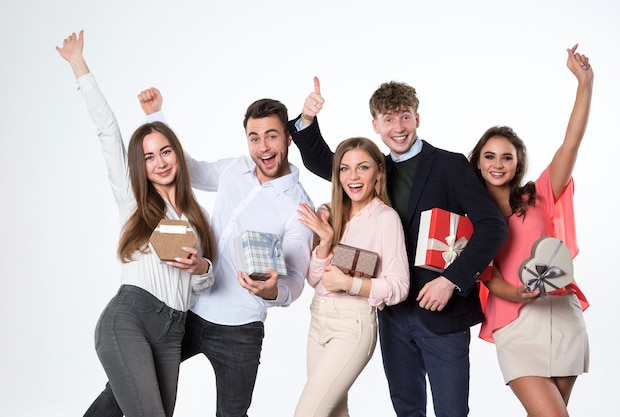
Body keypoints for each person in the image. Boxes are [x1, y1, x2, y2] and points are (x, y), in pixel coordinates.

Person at [81, 67, 315, 417]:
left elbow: (295, 279)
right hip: (189, 313)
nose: (262, 147)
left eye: (271, 136)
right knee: (124, 389)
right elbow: (184, 167)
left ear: (288, 139)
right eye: (254, 137)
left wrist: (272, 292)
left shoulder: (299, 207)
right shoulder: (235, 169)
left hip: (241, 329)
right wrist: (156, 117)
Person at [289, 77, 508, 416]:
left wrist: (451, 279)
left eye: (405, 116)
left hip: (442, 314)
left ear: (417, 119)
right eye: (388, 119)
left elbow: (492, 225)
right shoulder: (377, 169)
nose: (398, 126)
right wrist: (306, 120)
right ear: (376, 125)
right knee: (406, 409)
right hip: (393, 315)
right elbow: (328, 163)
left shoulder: (449, 165)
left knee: (451, 411)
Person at [56, 30, 217, 417]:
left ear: (177, 155)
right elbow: (109, 134)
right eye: (148, 157)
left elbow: (203, 282)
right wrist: (80, 66)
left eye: (165, 152)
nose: (159, 162)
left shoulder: (198, 218)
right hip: (130, 317)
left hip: (172, 331)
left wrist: (201, 267)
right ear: (139, 166)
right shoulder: (134, 202)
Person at [470, 44, 592, 417]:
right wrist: (514, 293)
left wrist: (584, 84)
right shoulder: (469, 214)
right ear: (477, 161)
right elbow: (483, 273)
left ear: (518, 162)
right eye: (490, 155)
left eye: (507, 156)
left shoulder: (538, 194)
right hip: (515, 321)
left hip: (562, 315)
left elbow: (570, 145)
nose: (498, 163)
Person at [294, 137, 410, 416]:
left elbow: (400, 286)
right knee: (333, 412)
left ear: (379, 172)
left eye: (363, 167)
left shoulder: (386, 218)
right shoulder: (332, 214)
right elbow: (315, 281)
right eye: (345, 169)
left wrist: (350, 284)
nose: (353, 177)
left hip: (352, 326)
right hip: (318, 321)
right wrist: (324, 243)